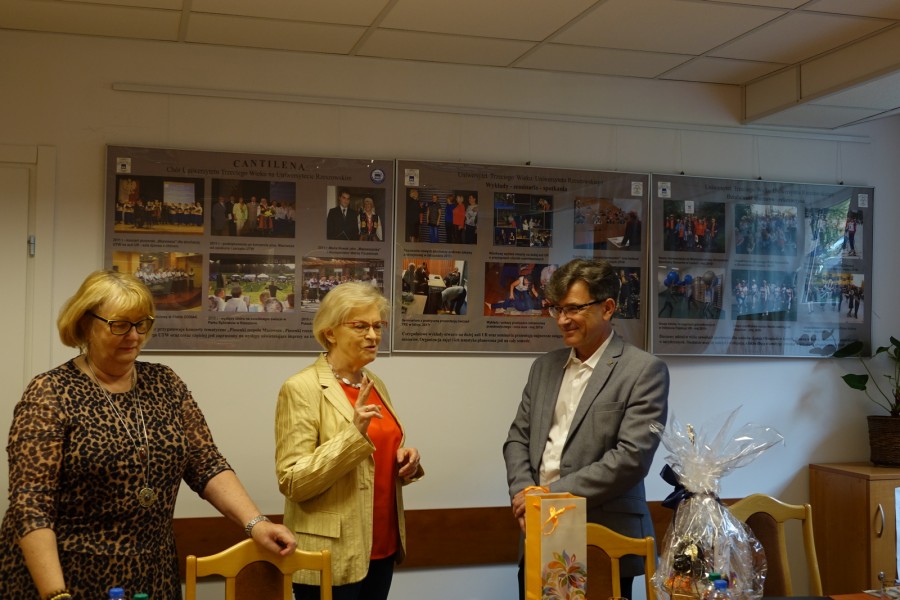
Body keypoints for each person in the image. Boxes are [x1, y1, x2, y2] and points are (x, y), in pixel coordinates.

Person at [0, 270, 296, 600]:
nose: (134, 336)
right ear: (85, 324)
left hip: (152, 573)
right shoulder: (50, 392)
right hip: (69, 575)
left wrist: (256, 523)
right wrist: (56, 594)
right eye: (120, 325)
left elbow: (206, 463)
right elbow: (31, 505)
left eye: (142, 324)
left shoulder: (165, 383)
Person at [502, 258, 669, 600]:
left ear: (607, 308)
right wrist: (525, 495)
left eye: (574, 309)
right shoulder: (544, 367)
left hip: (605, 538)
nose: (562, 320)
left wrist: (549, 495)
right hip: (539, 530)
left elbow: (631, 458)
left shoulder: (643, 371)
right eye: (557, 309)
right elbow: (517, 438)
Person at [275, 282, 423, 600]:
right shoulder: (301, 387)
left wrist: (403, 460)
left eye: (377, 326)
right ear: (330, 333)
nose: (373, 335)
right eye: (360, 326)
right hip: (330, 552)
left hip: (381, 545)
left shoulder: (374, 383)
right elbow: (293, 481)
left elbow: (371, 459)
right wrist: (353, 436)